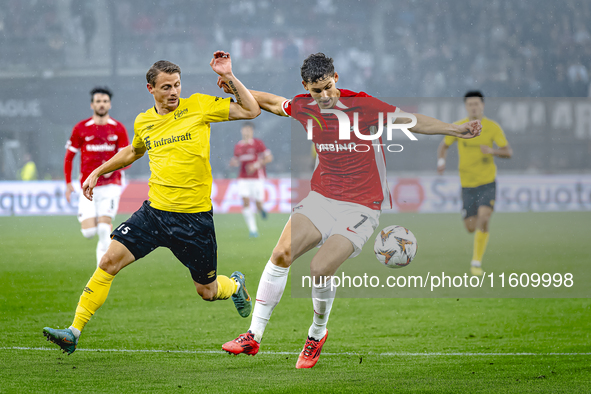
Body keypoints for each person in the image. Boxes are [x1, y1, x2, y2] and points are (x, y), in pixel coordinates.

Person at [219, 53, 482, 368]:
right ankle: (253, 336)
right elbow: (273, 102)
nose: (325, 96)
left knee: (319, 268)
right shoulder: (305, 107)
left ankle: (316, 334)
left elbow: (413, 120)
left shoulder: (364, 106)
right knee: (280, 255)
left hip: (362, 205)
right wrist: (234, 85)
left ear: (336, 79)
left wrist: (456, 130)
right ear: (306, 87)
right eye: (317, 91)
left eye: (329, 87)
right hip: (322, 197)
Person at [43, 51, 261, 355]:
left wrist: (228, 76)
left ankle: (236, 286)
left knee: (207, 292)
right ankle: (73, 331)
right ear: (151, 89)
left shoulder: (198, 105)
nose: (174, 92)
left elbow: (251, 111)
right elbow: (133, 152)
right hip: (155, 213)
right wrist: (97, 170)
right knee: (108, 261)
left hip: (194, 220)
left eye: (177, 85)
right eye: (166, 87)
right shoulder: (143, 122)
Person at [437, 91, 512, 276]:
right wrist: (441, 162)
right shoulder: (459, 127)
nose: (473, 107)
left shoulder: (492, 127)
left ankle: (476, 262)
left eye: (476, 104)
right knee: (471, 227)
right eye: (470, 104)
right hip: (467, 184)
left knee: (484, 218)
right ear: (466, 107)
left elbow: (508, 151)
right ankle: (480, 231)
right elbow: (444, 145)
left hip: (487, 182)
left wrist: (492, 151)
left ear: (483, 105)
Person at [64, 86, 130, 266]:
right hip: (88, 185)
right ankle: (98, 226)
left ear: (110, 104)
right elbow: (70, 157)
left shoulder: (118, 129)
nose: (102, 104)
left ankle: (101, 270)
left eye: (105, 101)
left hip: (111, 185)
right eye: (98, 101)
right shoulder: (81, 128)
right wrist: (68, 182)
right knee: (89, 233)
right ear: (92, 105)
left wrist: (111, 169)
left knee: (103, 228)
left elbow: (128, 158)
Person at [229, 122, 273, 237]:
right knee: (245, 201)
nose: (246, 132)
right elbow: (236, 160)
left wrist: (256, 165)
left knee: (258, 203)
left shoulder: (258, 143)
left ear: (252, 131)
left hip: (257, 178)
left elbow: (269, 157)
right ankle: (253, 230)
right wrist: (233, 163)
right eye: (244, 130)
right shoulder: (238, 146)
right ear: (241, 131)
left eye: (248, 130)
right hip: (243, 178)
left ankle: (261, 209)